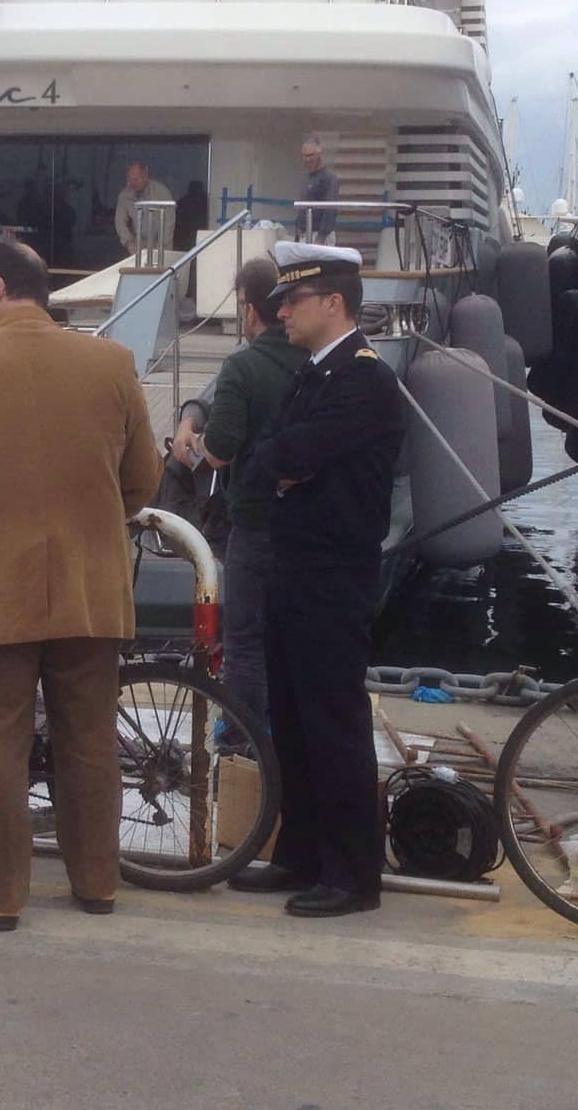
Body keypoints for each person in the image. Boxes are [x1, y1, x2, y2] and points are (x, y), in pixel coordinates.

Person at [0, 239, 162, 931]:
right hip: (89, 588)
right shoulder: (112, 364)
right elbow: (142, 480)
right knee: (90, 739)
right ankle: (97, 883)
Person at [228, 242, 404, 918]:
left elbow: (290, 452)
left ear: (333, 303)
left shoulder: (362, 378)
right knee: (294, 719)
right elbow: (263, 457)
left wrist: (283, 463)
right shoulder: (312, 374)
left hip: (333, 571)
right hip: (293, 566)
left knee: (333, 722)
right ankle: (299, 853)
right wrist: (281, 464)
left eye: (293, 301)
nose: (281, 312)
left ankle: (353, 874)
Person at [170, 257, 306, 732]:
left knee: (245, 639)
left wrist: (191, 446)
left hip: (255, 522)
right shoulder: (315, 358)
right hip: (310, 523)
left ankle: (243, 743)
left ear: (249, 308)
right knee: (292, 637)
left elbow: (223, 448)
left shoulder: (243, 366)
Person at [114, 161, 174, 256]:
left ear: (145, 177)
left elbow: (169, 223)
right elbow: (120, 222)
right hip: (137, 246)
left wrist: (161, 247)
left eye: (135, 180)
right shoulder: (124, 196)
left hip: (162, 245)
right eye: (129, 180)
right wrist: (129, 242)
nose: (132, 183)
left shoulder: (161, 192)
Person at [296, 135, 340, 245]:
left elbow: (330, 209)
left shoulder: (329, 178)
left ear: (319, 154)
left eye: (311, 155)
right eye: (305, 156)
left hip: (318, 236)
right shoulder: (308, 177)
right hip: (305, 234)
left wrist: (321, 238)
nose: (307, 159)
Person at [174, 180, 209, 252]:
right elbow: (177, 222)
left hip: (202, 234)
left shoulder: (207, 202)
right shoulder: (182, 203)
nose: (195, 191)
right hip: (184, 237)